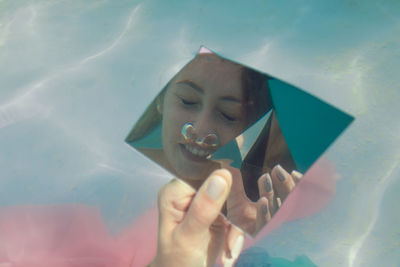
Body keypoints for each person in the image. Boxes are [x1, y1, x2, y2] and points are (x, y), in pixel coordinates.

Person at [126, 47, 302, 236]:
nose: (200, 131)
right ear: (161, 99)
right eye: (188, 101)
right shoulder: (120, 166)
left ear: (250, 127)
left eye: (228, 115)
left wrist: (249, 244)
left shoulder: (256, 210)